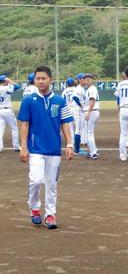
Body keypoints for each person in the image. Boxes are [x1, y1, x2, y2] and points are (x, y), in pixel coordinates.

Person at [17, 66, 74, 229]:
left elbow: (65, 124)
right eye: (37, 78)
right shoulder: (28, 100)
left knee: (51, 184)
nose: (40, 81)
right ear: (34, 81)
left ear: (51, 80)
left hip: (54, 149)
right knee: (35, 180)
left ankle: (50, 215)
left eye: (43, 78)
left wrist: (69, 144)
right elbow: (25, 124)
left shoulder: (59, 100)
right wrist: (23, 147)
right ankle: (34, 208)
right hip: (35, 149)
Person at [62, 77, 84, 156]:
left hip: (68, 110)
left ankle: (72, 145)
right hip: (76, 109)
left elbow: (63, 102)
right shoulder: (76, 89)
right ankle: (77, 149)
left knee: (70, 128)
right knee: (78, 129)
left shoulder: (65, 91)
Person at [0, 75, 20, 152]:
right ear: (5, 81)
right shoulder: (7, 88)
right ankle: (16, 146)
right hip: (7, 110)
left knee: (0, 129)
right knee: (14, 128)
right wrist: (9, 81)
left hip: (0, 111)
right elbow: (17, 86)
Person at [82, 73, 100, 159]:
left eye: (89, 79)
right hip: (93, 111)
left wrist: (88, 112)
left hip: (92, 111)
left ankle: (93, 153)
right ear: (84, 80)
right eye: (86, 79)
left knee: (89, 133)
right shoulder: (90, 89)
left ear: (92, 80)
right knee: (90, 133)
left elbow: (92, 100)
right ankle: (94, 150)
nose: (88, 80)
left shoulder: (91, 89)